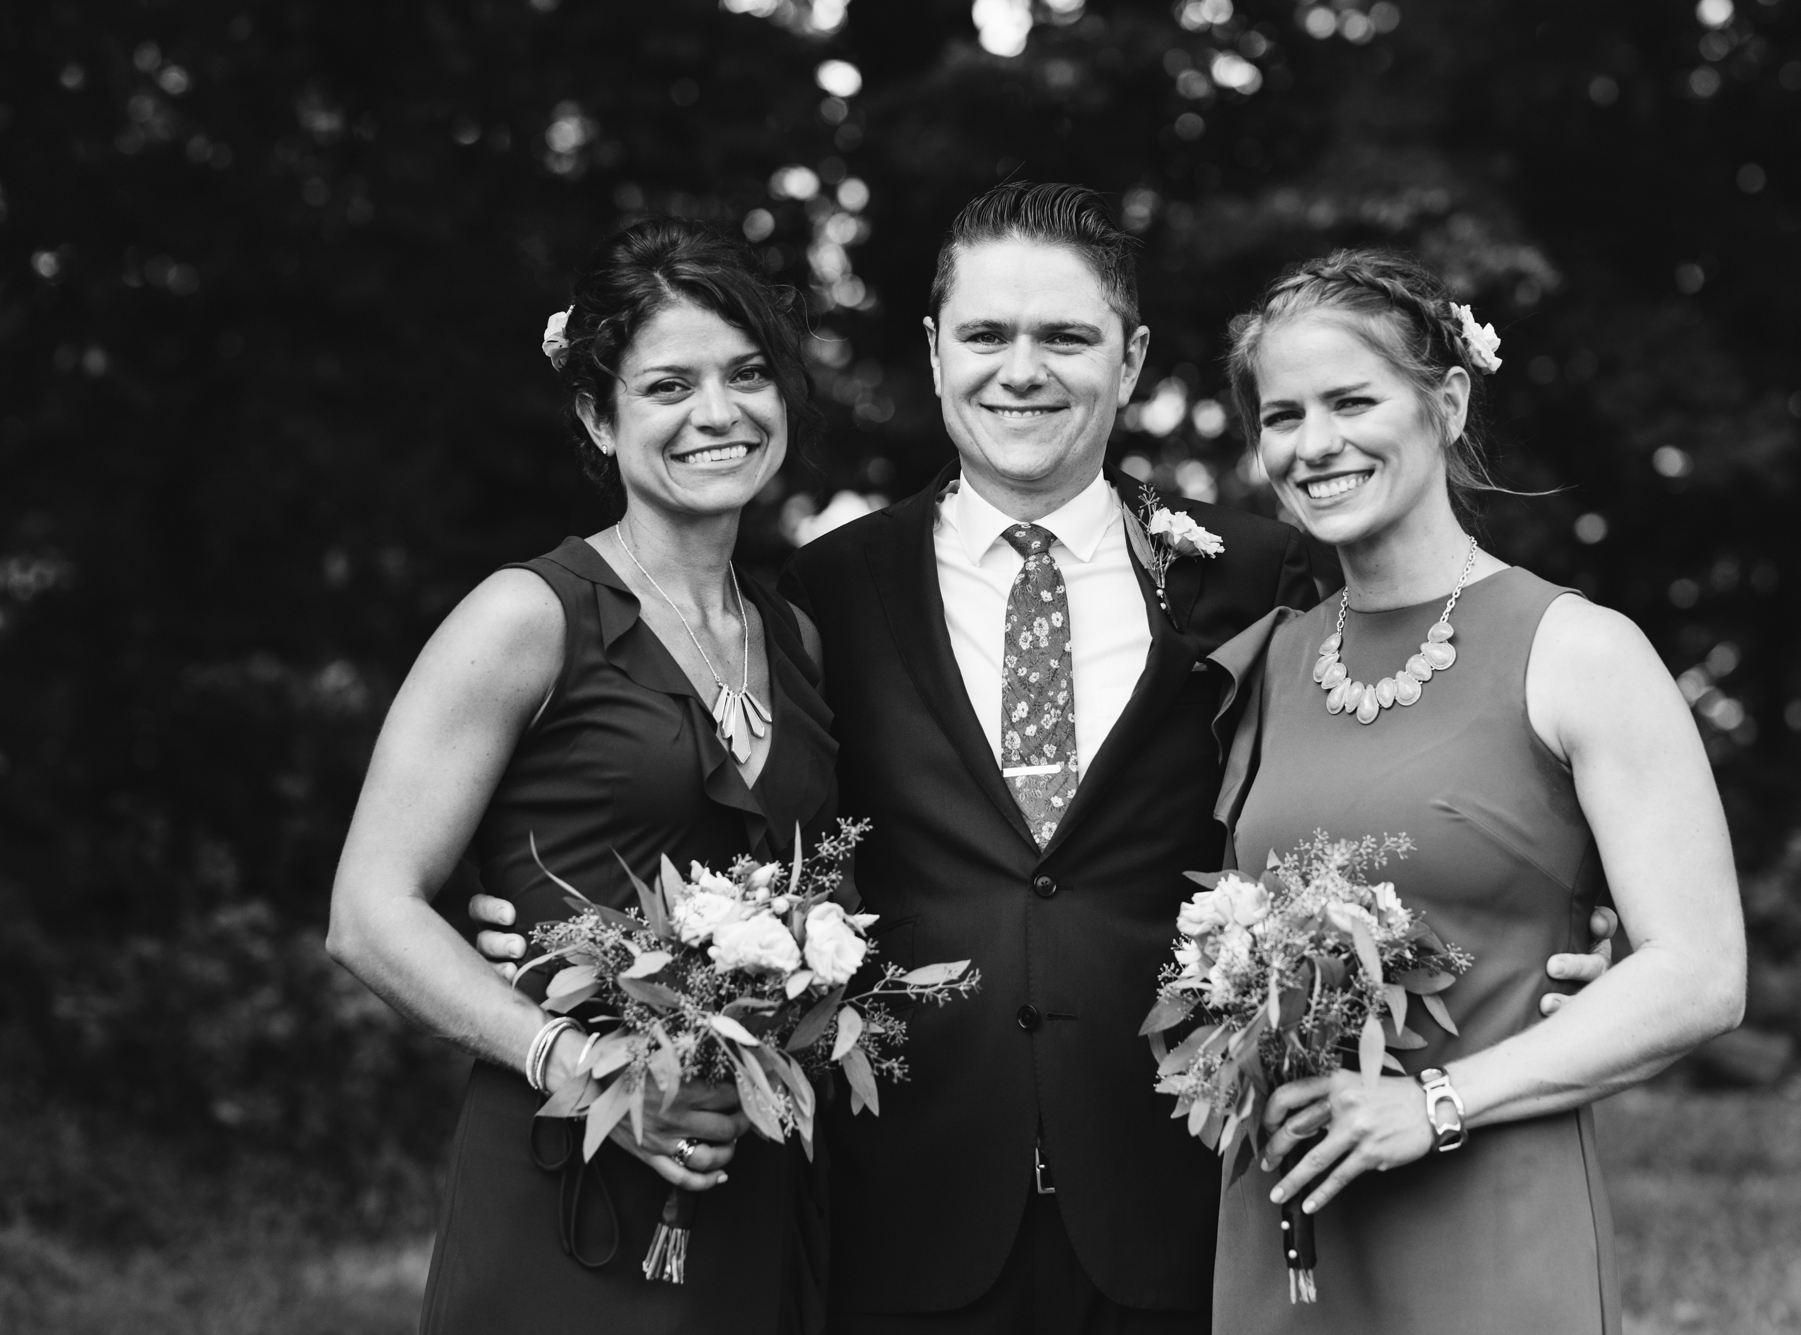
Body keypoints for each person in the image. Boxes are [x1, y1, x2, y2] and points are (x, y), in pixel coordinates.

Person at [472, 183, 1619, 1334]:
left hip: (1181, 1191)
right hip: (903, 1208)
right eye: (985, 335)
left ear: (1128, 363)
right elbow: (742, 832)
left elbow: (1375, 780)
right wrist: (532, 921)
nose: (1022, 369)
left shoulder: (1258, 579)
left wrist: (1567, 923)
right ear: (932, 354)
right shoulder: (822, 596)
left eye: (1065, 337)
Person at [1204, 250, 1747, 1333]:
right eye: (1281, 416)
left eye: (1352, 401)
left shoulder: (1578, 652)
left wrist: (1432, 1103)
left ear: (1444, 403)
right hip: (1287, 1229)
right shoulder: (1257, 665)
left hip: (1487, 1222)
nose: (1312, 445)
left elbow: (1698, 976)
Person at [325, 217, 839, 1334]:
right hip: (568, 1180)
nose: (717, 413)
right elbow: (369, 912)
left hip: (749, 1186)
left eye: (748, 374)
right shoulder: (526, 616)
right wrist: (582, 1063)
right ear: (595, 417)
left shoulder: (796, 641)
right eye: (668, 386)